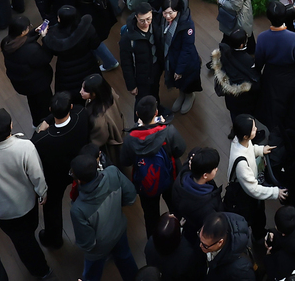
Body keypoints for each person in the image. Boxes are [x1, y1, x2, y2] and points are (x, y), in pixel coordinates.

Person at [0, 109, 51, 279]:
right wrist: (42, 193)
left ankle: (37, 267)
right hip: (26, 204)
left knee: (20, 241)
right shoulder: (25, 147)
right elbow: (37, 176)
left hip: (1, 211)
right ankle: (42, 270)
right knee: (29, 236)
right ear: (11, 126)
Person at [31, 91, 93, 251]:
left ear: (50, 109)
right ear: (70, 107)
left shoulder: (42, 139)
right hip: (81, 166)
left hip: (55, 176)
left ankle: (54, 238)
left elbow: (33, 150)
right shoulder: (81, 114)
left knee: (52, 206)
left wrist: (44, 123)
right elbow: (77, 110)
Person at [119, 95, 185, 239]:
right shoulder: (168, 131)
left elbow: (125, 161)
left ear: (137, 114)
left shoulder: (130, 138)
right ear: (156, 112)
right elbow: (180, 150)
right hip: (170, 178)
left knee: (150, 216)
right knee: (175, 208)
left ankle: (153, 241)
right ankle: (177, 232)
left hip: (145, 184)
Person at [69, 153, 139, 281]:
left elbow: (88, 244)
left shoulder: (77, 209)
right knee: (126, 259)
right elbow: (130, 196)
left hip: (98, 249)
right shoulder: (113, 172)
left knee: (92, 276)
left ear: (78, 180)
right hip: (119, 230)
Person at [225, 113, 283, 232]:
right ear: (246, 136)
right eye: (253, 129)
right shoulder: (241, 164)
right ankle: (259, 236)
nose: (256, 129)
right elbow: (253, 190)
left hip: (248, 185)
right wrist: (276, 192)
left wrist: (260, 150)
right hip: (245, 194)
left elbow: (249, 150)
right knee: (256, 217)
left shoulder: (239, 140)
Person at [161, 0, 202, 114]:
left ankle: (189, 95)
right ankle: (181, 94)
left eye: (171, 13)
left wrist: (179, 70)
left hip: (186, 61)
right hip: (172, 58)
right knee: (178, 82)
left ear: (177, 11)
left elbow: (187, 49)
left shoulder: (186, 24)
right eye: (165, 13)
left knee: (187, 80)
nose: (167, 16)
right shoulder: (163, 20)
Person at [121, 2, 167, 100]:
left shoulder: (155, 24)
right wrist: (131, 85)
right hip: (141, 75)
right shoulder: (128, 38)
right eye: (142, 21)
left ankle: (156, 107)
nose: (146, 23)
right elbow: (126, 63)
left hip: (155, 68)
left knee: (155, 91)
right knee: (142, 99)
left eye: (148, 19)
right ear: (136, 17)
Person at [198, 212, 256, 281]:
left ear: (220, 242)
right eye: (200, 238)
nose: (200, 245)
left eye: (205, 245)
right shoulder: (212, 234)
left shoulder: (241, 271)